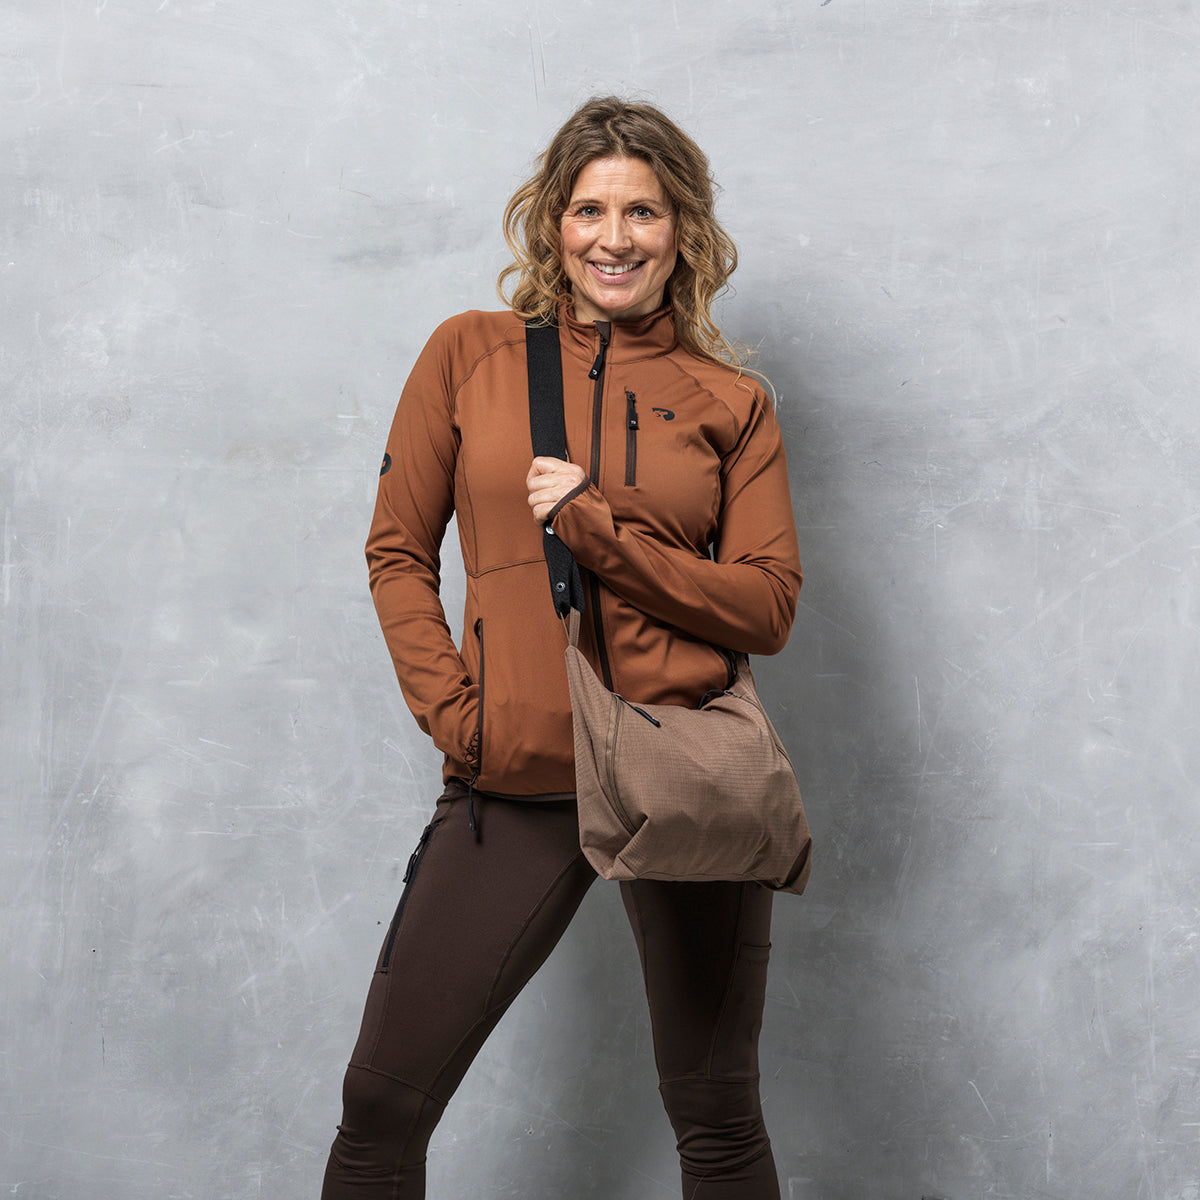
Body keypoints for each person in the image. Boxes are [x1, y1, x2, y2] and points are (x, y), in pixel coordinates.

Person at [321, 96, 803, 1200]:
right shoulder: (470, 354)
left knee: (718, 1122)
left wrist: (601, 533)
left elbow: (767, 607)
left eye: (643, 211)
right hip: (516, 773)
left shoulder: (731, 403)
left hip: (684, 775)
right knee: (381, 1110)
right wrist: (462, 719)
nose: (613, 238)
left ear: (683, 230)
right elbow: (397, 551)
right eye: (590, 210)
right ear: (552, 222)